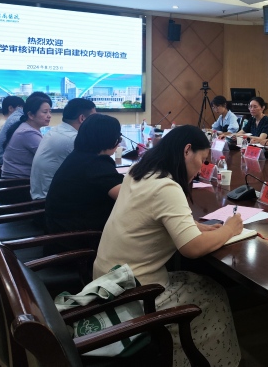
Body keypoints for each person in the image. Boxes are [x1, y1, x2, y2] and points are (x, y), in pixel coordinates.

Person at [93, 125, 243, 366]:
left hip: (108, 279)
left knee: (198, 280)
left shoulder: (139, 171)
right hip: (135, 292)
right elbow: (192, 248)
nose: (201, 169)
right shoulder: (167, 186)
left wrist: (194, 225)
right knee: (213, 294)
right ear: (187, 151)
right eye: (202, 160)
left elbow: (150, 215)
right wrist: (229, 229)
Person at [45, 113, 124, 234]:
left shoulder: (79, 155)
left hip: (60, 228)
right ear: (110, 139)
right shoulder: (96, 165)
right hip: (78, 237)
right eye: (118, 137)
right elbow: (128, 198)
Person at [30, 98, 96, 199]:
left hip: (42, 194)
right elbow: (94, 167)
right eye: (94, 118)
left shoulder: (57, 130)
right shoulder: (72, 139)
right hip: (50, 201)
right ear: (82, 118)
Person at [1, 95, 52, 179]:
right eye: (45, 112)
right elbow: (49, 157)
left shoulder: (27, 127)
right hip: (18, 182)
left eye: (50, 111)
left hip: (22, 178)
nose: (49, 115)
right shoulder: (27, 133)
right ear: (31, 115)